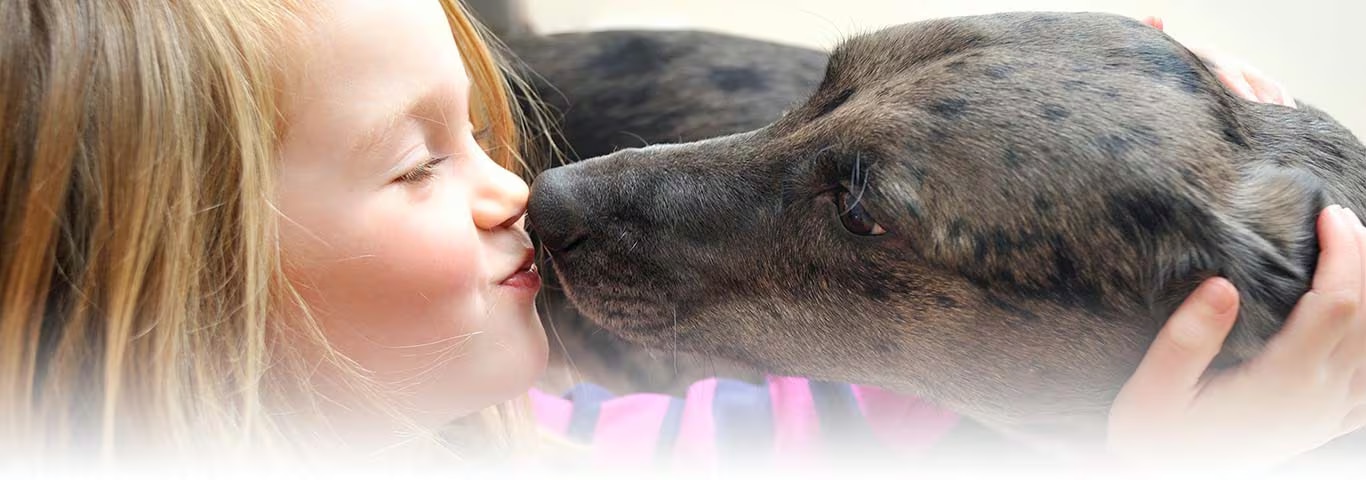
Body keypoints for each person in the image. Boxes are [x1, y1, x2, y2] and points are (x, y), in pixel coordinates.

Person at [0, 1, 1358, 476]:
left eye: (486, 131)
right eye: (423, 161)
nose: (553, 189)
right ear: (174, 303)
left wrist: (1094, 100)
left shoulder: (507, 417)